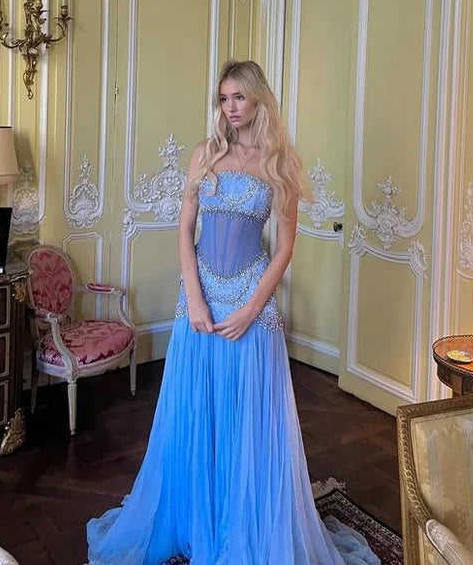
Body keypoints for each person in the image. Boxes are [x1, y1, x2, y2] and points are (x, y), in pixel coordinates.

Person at [87, 60, 378, 565]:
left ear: (258, 99)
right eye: (223, 99)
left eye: (239, 97)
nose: (230, 108)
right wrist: (195, 298)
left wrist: (251, 308)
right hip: (200, 297)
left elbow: (284, 249)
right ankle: (196, 514)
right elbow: (185, 231)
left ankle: (245, 519)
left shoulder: (281, 164)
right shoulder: (205, 154)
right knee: (195, 410)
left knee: (249, 419)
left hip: (250, 300)